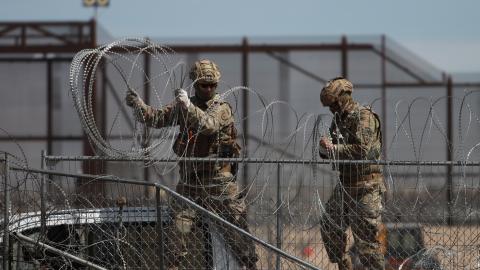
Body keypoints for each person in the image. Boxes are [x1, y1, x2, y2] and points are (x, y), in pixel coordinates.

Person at [125, 59, 258, 269]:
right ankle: (174, 264)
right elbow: (157, 119)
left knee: (236, 225)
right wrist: (138, 105)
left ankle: (250, 264)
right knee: (179, 225)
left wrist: (188, 106)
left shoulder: (221, 108)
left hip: (218, 179)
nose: (209, 89)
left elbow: (209, 126)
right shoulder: (183, 106)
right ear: (195, 84)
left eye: (212, 85)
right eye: (204, 85)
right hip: (190, 179)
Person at [318, 77, 385, 270]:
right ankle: (344, 265)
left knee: (366, 244)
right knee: (329, 226)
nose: (332, 109)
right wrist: (325, 148)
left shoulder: (363, 116)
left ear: (344, 97)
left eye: (334, 104)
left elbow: (362, 150)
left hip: (365, 187)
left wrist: (333, 148)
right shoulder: (338, 120)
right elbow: (330, 151)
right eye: (330, 106)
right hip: (345, 184)